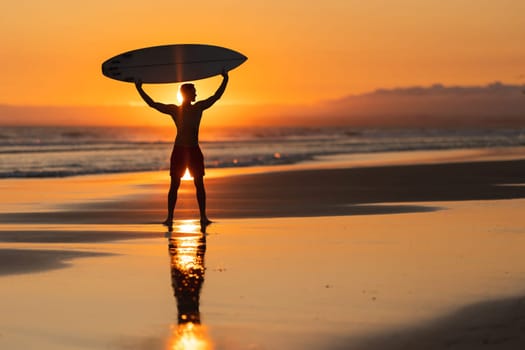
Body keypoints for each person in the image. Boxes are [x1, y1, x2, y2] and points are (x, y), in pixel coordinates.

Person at [135, 69, 229, 231]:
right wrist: (139, 88)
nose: (196, 95)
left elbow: (216, 96)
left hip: (194, 150)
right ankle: (169, 217)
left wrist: (225, 79)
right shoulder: (175, 110)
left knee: (199, 184)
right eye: (194, 92)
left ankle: (203, 217)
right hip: (179, 151)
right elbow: (153, 104)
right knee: (175, 185)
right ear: (186, 94)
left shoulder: (198, 107)